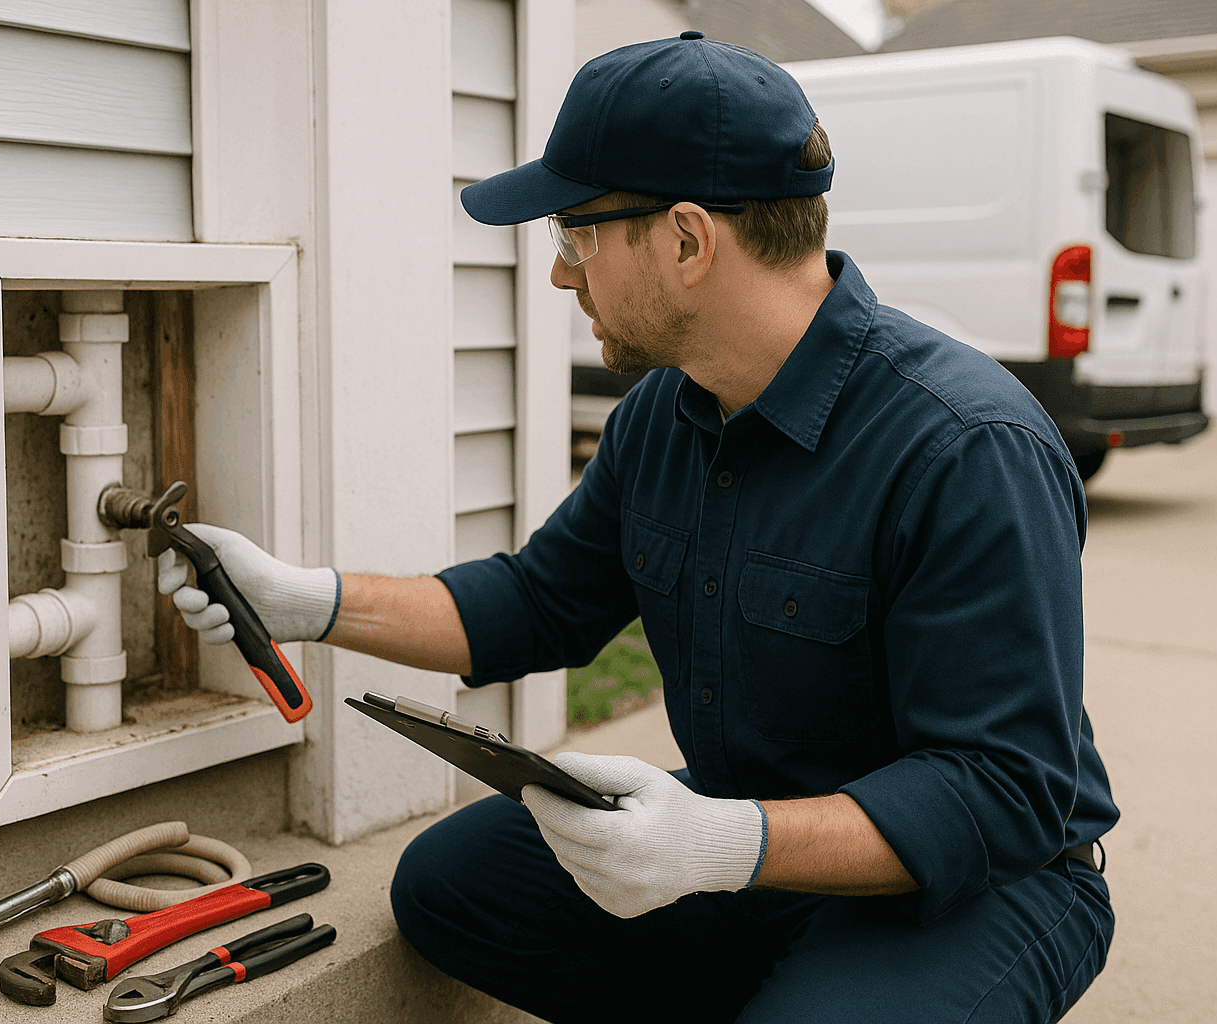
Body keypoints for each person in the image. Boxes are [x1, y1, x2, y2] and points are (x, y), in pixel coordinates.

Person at [157, 32, 1118, 1024]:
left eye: (576, 236)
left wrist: (721, 845)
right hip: (755, 841)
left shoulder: (965, 448)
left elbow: (1002, 793)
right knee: (451, 885)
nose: (561, 278)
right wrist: (300, 599)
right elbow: (538, 603)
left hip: (980, 885)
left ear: (690, 240)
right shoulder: (666, 414)